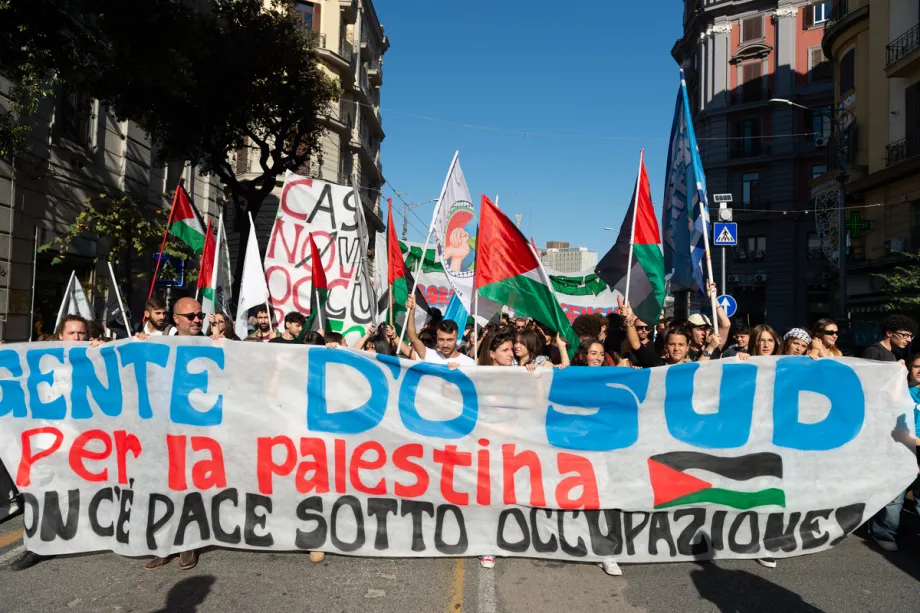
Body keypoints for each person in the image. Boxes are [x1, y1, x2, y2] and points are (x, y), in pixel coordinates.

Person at [9, 315, 100, 571]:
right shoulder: (43, 359)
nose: (77, 338)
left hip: (81, 441)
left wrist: (103, 351)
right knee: (39, 493)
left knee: (76, 491)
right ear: (60, 335)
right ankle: (37, 546)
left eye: (81, 333)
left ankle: (78, 536)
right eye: (72, 333)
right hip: (46, 440)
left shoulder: (96, 358)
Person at [144, 298, 205, 571]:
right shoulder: (158, 346)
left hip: (199, 432)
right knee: (163, 487)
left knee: (190, 487)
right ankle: (164, 543)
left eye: (200, 315)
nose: (197, 320)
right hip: (164, 429)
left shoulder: (217, 344)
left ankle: (188, 542)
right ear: (176, 319)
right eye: (190, 316)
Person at [863, 314, 918, 552]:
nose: (908, 339)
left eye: (910, 336)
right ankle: (880, 528)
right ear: (889, 332)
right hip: (883, 430)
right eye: (904, 334)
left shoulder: (896, 356)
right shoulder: (874, 352)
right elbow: (870, 387)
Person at [405, 295, 474, 367]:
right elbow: (413, 338)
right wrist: (411, 311)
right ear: (436, 338)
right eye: (441, 340)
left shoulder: (469, 364)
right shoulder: (429, 355)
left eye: (449, 340)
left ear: (457, 338)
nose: (445, 345)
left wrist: (458, 371)